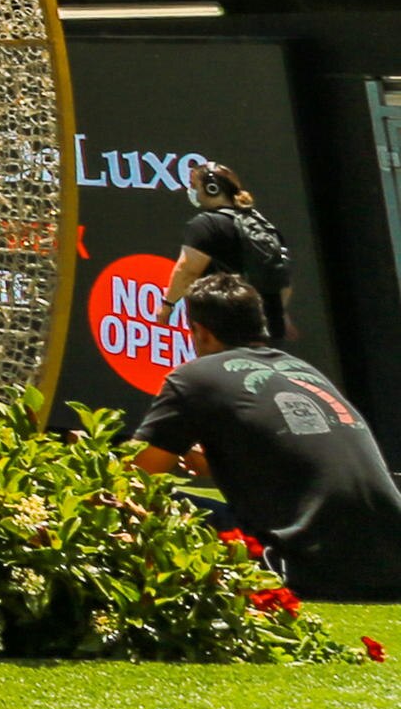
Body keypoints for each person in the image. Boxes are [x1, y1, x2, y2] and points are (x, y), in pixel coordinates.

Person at [139, 270, 401, 598]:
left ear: (201, 332)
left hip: (310, 568)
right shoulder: (304, 371)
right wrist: (215, 461)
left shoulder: (194, 378)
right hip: (392, 566)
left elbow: (136, 475)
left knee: (148, 503)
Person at [184, 163, 298, 346]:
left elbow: (187, 270)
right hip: (270, 331)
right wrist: (278, 313)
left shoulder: (205, 224)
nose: (191, 191)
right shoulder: (263, 225)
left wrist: (167, 306)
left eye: (194, 185)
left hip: (229, 330)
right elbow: (284, 283)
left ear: (211, 188)